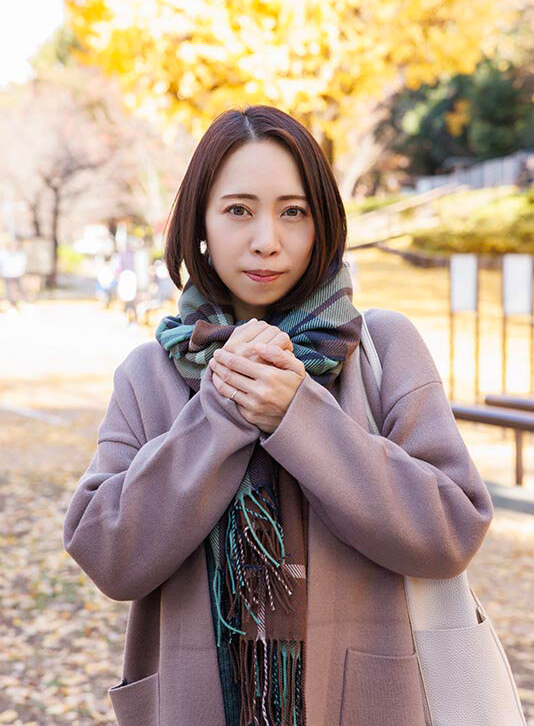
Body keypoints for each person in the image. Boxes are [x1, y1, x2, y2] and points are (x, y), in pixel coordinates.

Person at [63, 105, 494, 726]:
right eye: (239, 210)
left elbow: (452, 531)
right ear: (200, 222)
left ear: (323, 225)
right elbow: (108, 555)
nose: (267, 239)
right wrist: (222, 409)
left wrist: (301, 415)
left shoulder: (382, 348)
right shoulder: (149, 374)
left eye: (294, 211)